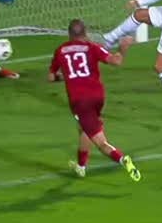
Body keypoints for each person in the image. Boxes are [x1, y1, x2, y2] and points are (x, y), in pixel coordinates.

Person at [49, 19, 140, 181]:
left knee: (100, 142)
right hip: (98, 97)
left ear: (69, 34)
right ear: (85, 32)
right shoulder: (92, 47)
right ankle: (81, 166)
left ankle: (122, 159)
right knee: (84, 128)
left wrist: (65, 77)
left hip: (80, 102)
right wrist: (123, 48)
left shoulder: (60, 50)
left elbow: (51, 77)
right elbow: (116, 61)